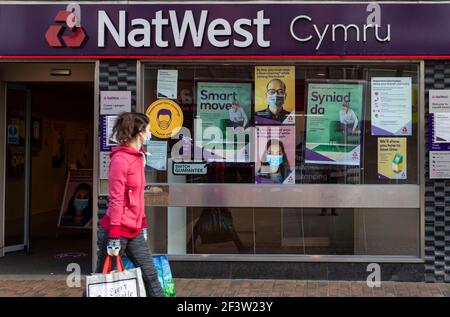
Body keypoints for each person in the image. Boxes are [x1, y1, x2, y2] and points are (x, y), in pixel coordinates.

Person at [95, 112, 164, 297]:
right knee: (103, 280)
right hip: (115, 230)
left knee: (150, 275)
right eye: (148, 128)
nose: (150, 132)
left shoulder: (139, 157)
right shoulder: (120, 160)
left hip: (134, 230)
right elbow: (117, 199)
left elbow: (138, 196)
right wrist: (114, 235)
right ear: (140, 132)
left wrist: (142, 224)